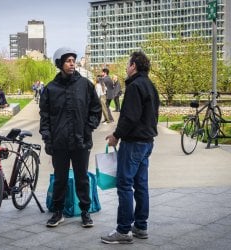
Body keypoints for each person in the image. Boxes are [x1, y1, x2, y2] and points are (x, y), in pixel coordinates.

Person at [101, 51, 160, 244]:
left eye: (128, 64)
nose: (126, 67)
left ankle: (124, 230)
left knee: (125, 184)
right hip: (147, 142)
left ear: (133, 65)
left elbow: (130, 117)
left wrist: (116, 136)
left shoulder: (135, 86)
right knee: (140, 185)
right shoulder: (151, 86)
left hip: (133, 143)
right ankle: (141, 226)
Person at [39, 47, 102, 228]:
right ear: (60, 64)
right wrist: (47, 139)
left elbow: (95, 110)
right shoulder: (50, 89)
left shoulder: (86, 85)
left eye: (73, 60)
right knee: (60, 179)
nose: (72, 63)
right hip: (59, 144)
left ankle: (85, 211)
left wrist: (88, 128)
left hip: (81, 142)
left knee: (82, 178)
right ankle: (58, 212)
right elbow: (45, 117)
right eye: (68, 61)